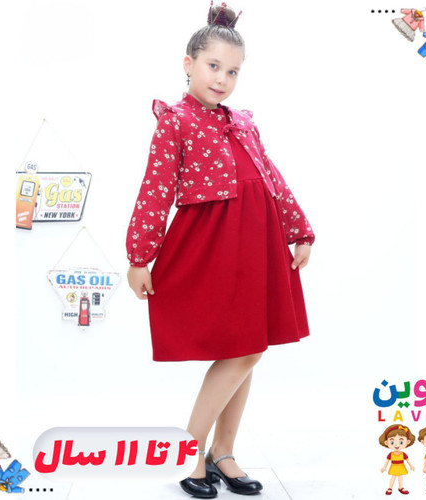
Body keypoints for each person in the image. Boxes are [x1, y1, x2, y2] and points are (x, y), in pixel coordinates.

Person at [125, 2, 315, 497]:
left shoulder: (244, 122)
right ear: (188, 64)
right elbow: (155, 190)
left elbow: (272, 177)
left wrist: (299, 230)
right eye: (214, 66)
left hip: (257, 241)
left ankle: (222, 451)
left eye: (233, 71)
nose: (223, 79)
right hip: (212, 245)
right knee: (241, 349)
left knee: (249, 347)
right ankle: (189, 450)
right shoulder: (175, 121)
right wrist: (139, 257)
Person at [379, 424, 416, 495]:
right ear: (386, 443)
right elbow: (387, 461)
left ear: (407, 442)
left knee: (400, 477)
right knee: (393, 477)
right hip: (394, 467)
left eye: (401, 442)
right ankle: (390, 488)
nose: (396, 445)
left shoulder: (403, 454)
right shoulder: (390, 454)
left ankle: (401, 487)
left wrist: (411, 465)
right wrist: (384, 467)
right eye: (392, 442)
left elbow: (407, 460)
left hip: (401, 467)